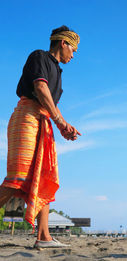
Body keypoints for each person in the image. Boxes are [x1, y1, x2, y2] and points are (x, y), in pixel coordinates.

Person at [0, 25, 81, 248]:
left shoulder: (58, 73)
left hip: (44, 121)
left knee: (43, 176)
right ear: (62, 43)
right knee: (17, 181)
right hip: (27, 118)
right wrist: (60, 122)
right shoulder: (40, 57)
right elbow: (40, 88)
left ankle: (44, 237)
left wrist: (65, 126)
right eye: (73, 49)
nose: (73, 55)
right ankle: (43, 236)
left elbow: (51, 103)